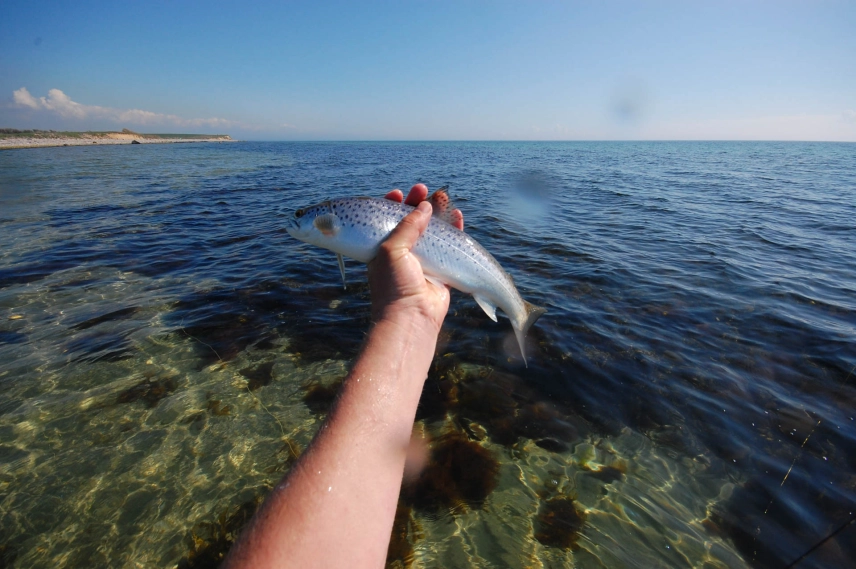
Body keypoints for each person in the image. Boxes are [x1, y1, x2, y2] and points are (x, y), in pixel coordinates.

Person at [224, 184, 464, 569]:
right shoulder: (330, 229)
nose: (294, 220)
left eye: (301, 216)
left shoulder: (323, 220)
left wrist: (408, 313)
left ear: (317, 217)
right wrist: (410, 312)